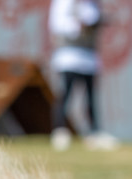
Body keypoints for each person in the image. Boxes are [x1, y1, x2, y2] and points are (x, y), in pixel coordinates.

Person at [48, 0, 117, 151]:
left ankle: (94, 132)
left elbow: (93, 20)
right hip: (69, 56)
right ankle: (60, 131)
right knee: (66, 95)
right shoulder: (65, 3)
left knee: (91, 98)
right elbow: (58, 26)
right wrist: (79, 25)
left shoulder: (93, 4)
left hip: (89, 57)